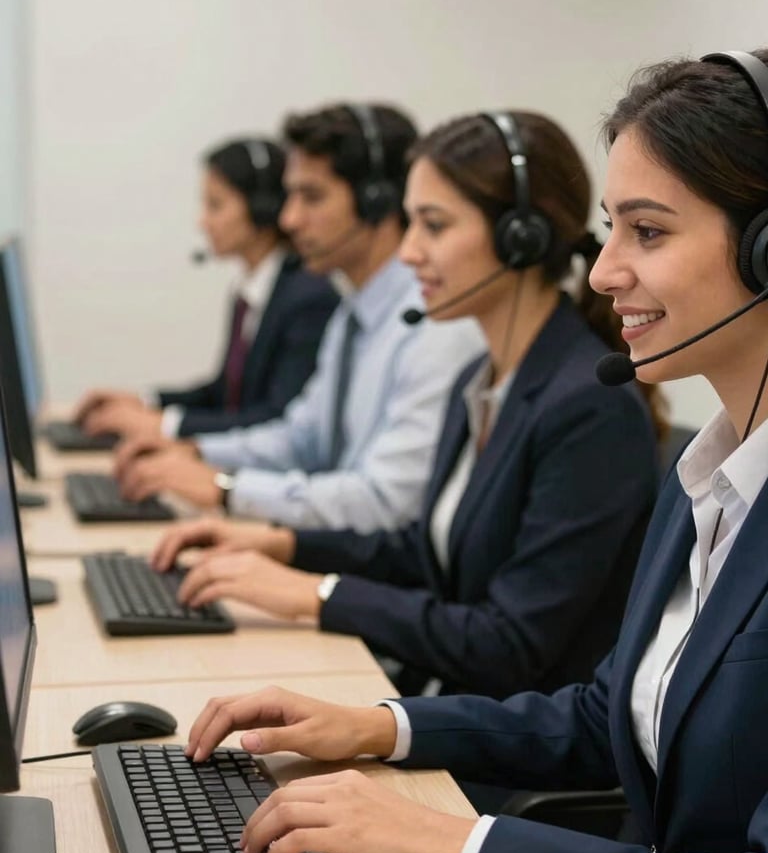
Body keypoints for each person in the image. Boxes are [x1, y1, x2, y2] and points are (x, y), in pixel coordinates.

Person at [182, 49, 768, 853]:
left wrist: (458, 845)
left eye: (648, 232)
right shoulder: (707, 471)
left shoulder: (601, 416)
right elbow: (597, 715)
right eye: (611, 228)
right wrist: (380, 726)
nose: (604, 270)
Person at [152, 110, 662, 701]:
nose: (409, 251)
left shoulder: (586, 409)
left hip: (511, 750)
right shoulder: (485, 375)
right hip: (455, 704)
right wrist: (286, 547)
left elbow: (509, 646)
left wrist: (319, 595)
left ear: (522, 238)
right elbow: (425, 550)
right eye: (410, 223)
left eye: (434, 226)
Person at [112, 104, 485, 530]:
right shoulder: (352, 314)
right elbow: (302, 437)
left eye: (312, 197)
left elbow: (388, 501)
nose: (289, 219)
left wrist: (228, 489)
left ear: (376, 201)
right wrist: (197, 453)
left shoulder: (436, 325)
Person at [74, 138, 338, 439]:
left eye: (216, 205)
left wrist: (161, 426)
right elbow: (225, 394)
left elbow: (277, 419)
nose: (203, 222)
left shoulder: (307, 298)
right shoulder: (249, 290)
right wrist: (146, 402)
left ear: (262, 208)